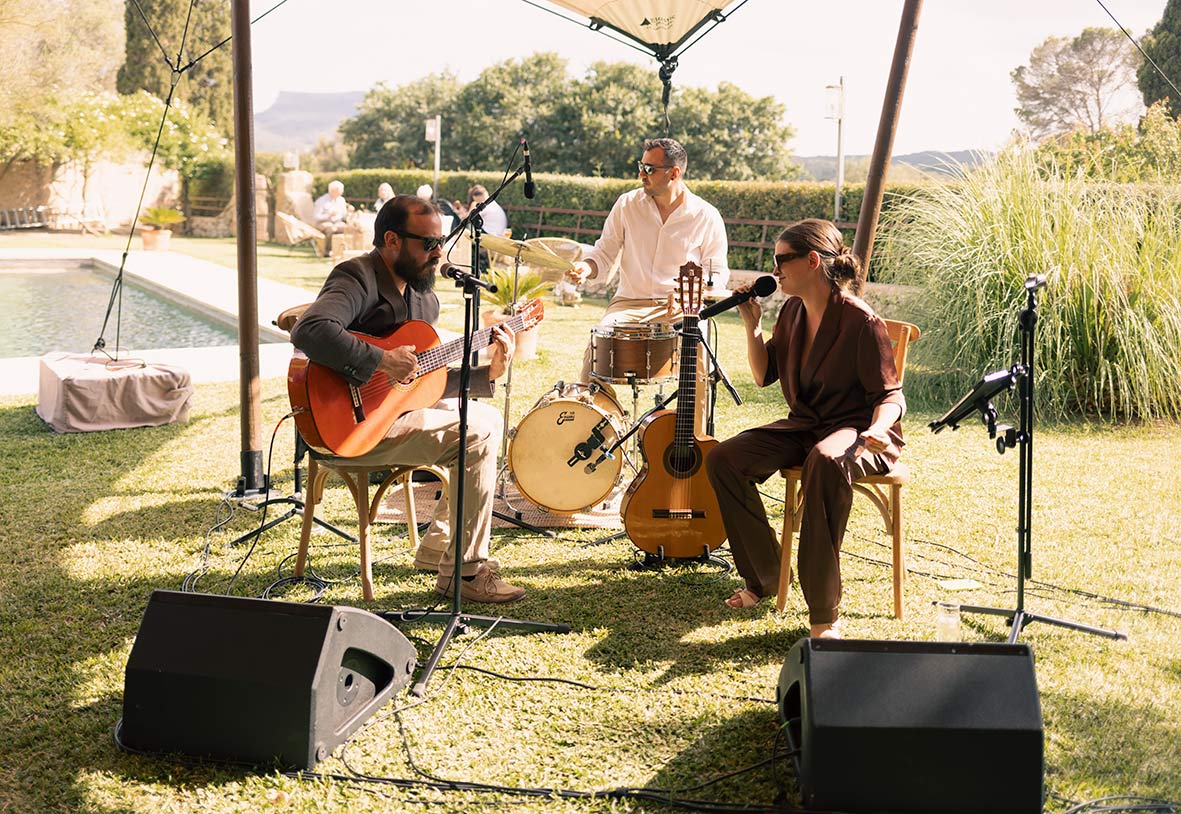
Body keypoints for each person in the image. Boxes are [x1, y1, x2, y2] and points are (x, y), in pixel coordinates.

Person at [290, 194, 526, 603]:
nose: (438, 253)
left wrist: (488, 372)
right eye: (428, 244)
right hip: (348, 428)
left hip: (391, 418)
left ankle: (439, 549)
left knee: (481, 419)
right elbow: (310, 330)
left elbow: (421, 383)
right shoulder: (357, 276)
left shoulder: (424, 298)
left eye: (441, 242)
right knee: (482, 432)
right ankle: (465, 572)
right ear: (392, 240)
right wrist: (381, 360)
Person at [704, 219, 905, 638]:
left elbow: (891, 396)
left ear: (813, 261)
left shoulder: (861, 322)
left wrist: (880, 429)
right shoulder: (793, 311)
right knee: (725, 458)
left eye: (781, 260)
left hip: (857, 432)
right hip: (806, 426)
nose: (773, 270)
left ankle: (823, 614)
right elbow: (763, 375)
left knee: (826, 460)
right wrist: (752, 323)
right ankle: (765, 577)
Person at [565, 138, 728, 431]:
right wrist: (584, 267)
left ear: (674, 173)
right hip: (629, 304)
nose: (641, 174)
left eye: (649, 168)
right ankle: (603, 436)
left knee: (700, 357)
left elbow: (717, 275)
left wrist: (687, 295)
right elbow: (603, 253)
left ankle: (694, 440)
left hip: (683, 309)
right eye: (641, 166)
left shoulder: (706, 215)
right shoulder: (626, 204)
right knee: (594, 356)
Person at [313, 180, 350, 255]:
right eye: (339, 190)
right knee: (332, 229)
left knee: (348, 228)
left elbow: (344, 215)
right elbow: (316, 216)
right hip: (323, 222)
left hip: (337, 222)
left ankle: (342, 251)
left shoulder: (341, 200)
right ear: (332, 190)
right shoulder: (322, 200)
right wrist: (328, 216)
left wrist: (349, 213)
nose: (341, 192)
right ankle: (327, 251)